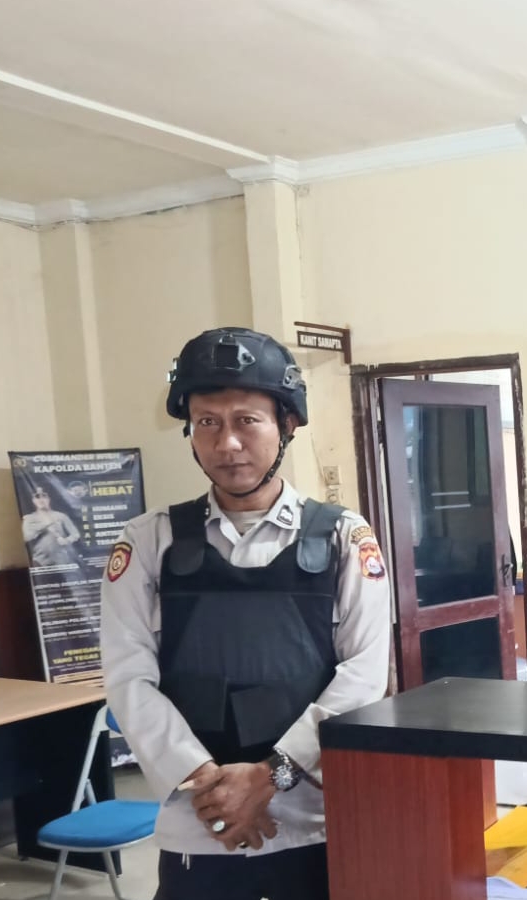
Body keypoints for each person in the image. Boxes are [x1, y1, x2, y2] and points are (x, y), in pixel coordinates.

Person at [101, 327, 391, 899]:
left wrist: (270, 776)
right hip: (199, 823)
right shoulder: (148, 540)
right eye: (207, 422)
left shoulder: (341, 536)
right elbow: (128, 677)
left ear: (287, 423)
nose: (227, 442)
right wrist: (207, 782)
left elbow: (364, 673)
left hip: (316, 822)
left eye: (247, 421)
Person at [21, 485, 84, 570]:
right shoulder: (29, 519)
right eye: (37, 497)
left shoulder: (61, 516)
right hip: (39, 561)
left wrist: (66, 540)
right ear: (33, 500)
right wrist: (43, 526)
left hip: (62, 560)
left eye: (44, 496)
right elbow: (26, 538)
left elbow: (75, 534)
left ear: (49, 499)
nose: (41, 500)